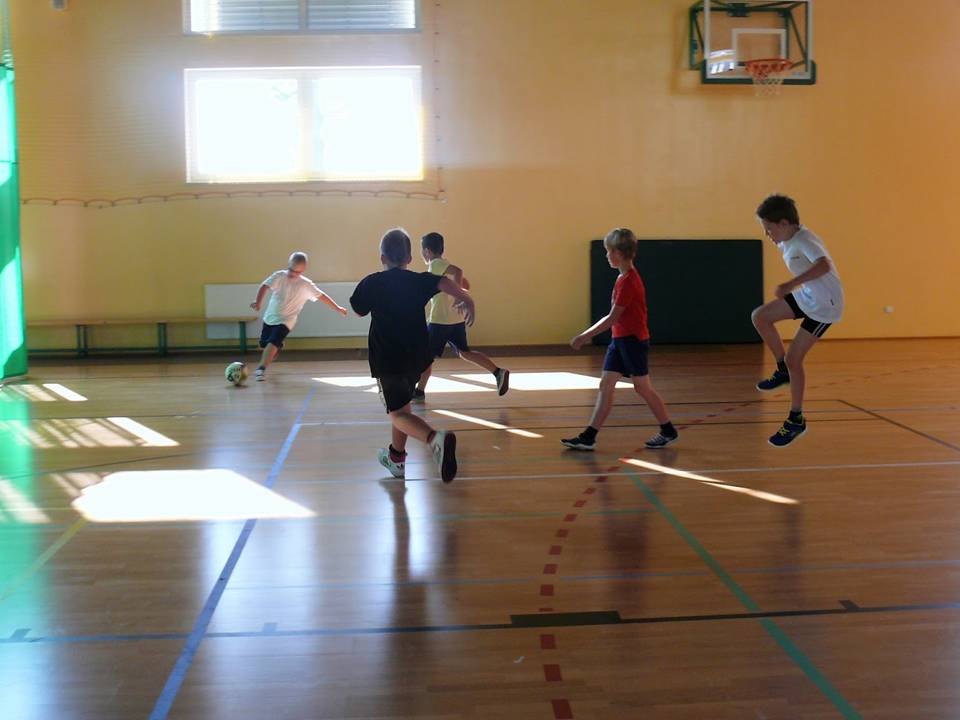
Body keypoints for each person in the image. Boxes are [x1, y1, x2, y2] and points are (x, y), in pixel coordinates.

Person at [350, 228, 476, 483]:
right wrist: (466, 299)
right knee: (403, 407)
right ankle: (396, 458)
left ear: (382, 258)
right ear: (409, 258)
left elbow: (358, 310)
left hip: (388, 360)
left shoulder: (372, 282)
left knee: (397, 414)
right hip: (416, 359)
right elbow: (443, 282)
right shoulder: (419, 280)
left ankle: (434, 439)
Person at [562, 227, 678, 451]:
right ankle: (588, 437)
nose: (607, 255)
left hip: (633, 341)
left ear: (620, 253)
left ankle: (668, 430)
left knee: (642, 388)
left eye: (609, 251)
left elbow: (612, 317)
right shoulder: (622, 277)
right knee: (606, 384)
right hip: (620, 341)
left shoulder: (629, 282)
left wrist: (584, 336)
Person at [751, 194, 844, 447]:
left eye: (769, 229)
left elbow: (824, 265)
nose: (767, 235)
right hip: (810, 296)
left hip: (826, 305)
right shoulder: (787, 238)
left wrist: (791, 284)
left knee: (795, 359)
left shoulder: (805, 240)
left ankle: (795, 420)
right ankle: (782, 370)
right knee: (760, 317)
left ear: (784, 223)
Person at [415, 231, 509, 400]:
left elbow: (459, 271)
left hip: (440, 321)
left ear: (427, 251)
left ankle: (419, 391)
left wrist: (458, 295)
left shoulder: (435, 265)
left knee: (425, 357)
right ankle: (498, 372)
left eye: (422, 251)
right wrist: (459, 290)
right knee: (465, 352)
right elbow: (466, 284)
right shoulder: (445, 265)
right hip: (456, 320)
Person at [250, 251, 347, 381]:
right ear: (288, 265)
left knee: (273, 342)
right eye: (291, 270)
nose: (293, 274)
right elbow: (264, 286)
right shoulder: (279, 276)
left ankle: (260, 369)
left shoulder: (305, 284)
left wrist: (337, 308)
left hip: (287, 321)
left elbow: (322, 296)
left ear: (303, 270)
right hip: (270, 318)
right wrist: (258, 303)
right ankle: (276, 348)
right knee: (264, 344)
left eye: (297, 272)